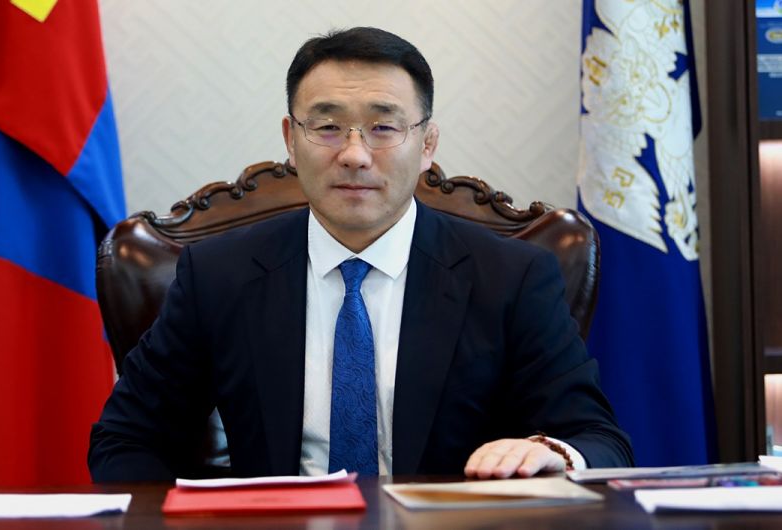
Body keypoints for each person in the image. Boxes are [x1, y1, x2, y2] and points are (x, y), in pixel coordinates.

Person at [88, 27, 633, 482]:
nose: (354, 154)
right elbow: (127, 438)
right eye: (327, 127)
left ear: (427, 144)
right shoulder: (219, 275)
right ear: (291, 139)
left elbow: (598, 439)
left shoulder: (511, 277)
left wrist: (551, 453)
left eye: (383, 127)